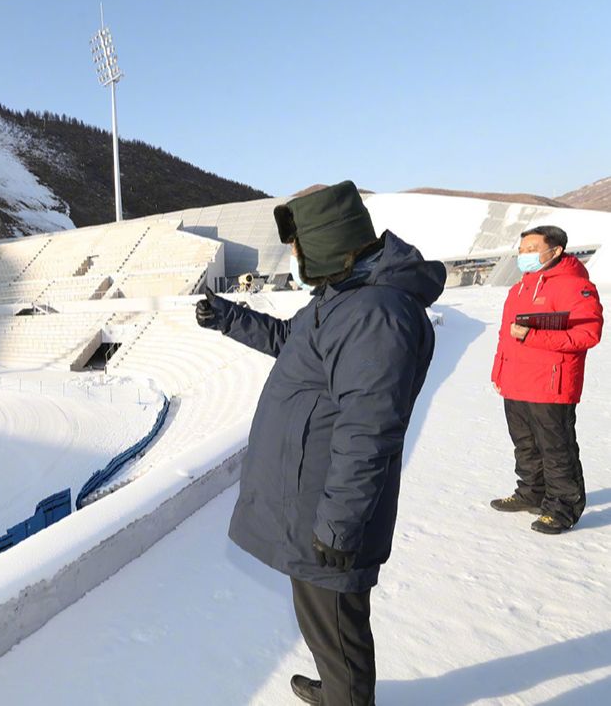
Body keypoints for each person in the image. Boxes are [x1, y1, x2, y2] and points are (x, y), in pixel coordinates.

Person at [196, 181, 444, 705]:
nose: (294, 255)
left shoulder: (374, 313)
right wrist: (229, 318)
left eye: (299, 244)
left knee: (339, 632)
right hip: (310, 499)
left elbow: (369, 430)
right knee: (326, 627)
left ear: (328, 240)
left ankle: (346, 693)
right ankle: (337, 687)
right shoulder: (343, 296)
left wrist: (338, 525)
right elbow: (293, 344)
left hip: (329, 514)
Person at [490, 225, 604, 534]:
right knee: (525, 445)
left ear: (554, 251)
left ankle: (563, 506)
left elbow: (587, 334)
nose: (523, 255)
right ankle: (532, 492)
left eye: (531, 249)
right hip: (516, 382)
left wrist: (536, 337)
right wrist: (499, 371)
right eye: (521, 249)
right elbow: (507, 337)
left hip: (551, 383)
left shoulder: (575, 286)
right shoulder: (520, 287)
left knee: (556, 448)